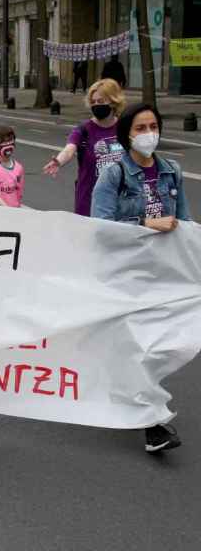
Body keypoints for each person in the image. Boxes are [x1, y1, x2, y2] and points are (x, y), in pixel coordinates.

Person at [91, 102, 190, 454]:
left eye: (153, 126)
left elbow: (185, 224)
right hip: (126, 272)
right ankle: (152, 426)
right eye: (141, 128)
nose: (150, 133)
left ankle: (130, 398)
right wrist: (146, 224)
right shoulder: (114, 174)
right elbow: (100, 228)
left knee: (158, 344)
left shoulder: (172, 171)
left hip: (162, 273)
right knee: (142, 346)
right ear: (127, 135)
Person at [43, 79, 125, 216]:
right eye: (93, 102)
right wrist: (58, 161)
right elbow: (69, 149)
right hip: (89, 199)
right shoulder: (84, 130)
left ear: (113, 101)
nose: (96, 105)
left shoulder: (124, 128)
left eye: (101, 101)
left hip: (120, 197)